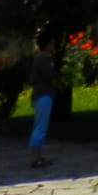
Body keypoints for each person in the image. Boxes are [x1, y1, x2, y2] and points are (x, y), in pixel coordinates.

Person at [27, 35, 60, 168]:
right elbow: (50, 77)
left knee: (41, 126)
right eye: (52, 43)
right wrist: (60, 87)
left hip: (45, 95)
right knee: (40, 127)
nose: (54, 45)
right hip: (43, 96)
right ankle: (35, 157)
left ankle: (39, 156)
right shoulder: (42, 60)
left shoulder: (46, 59)